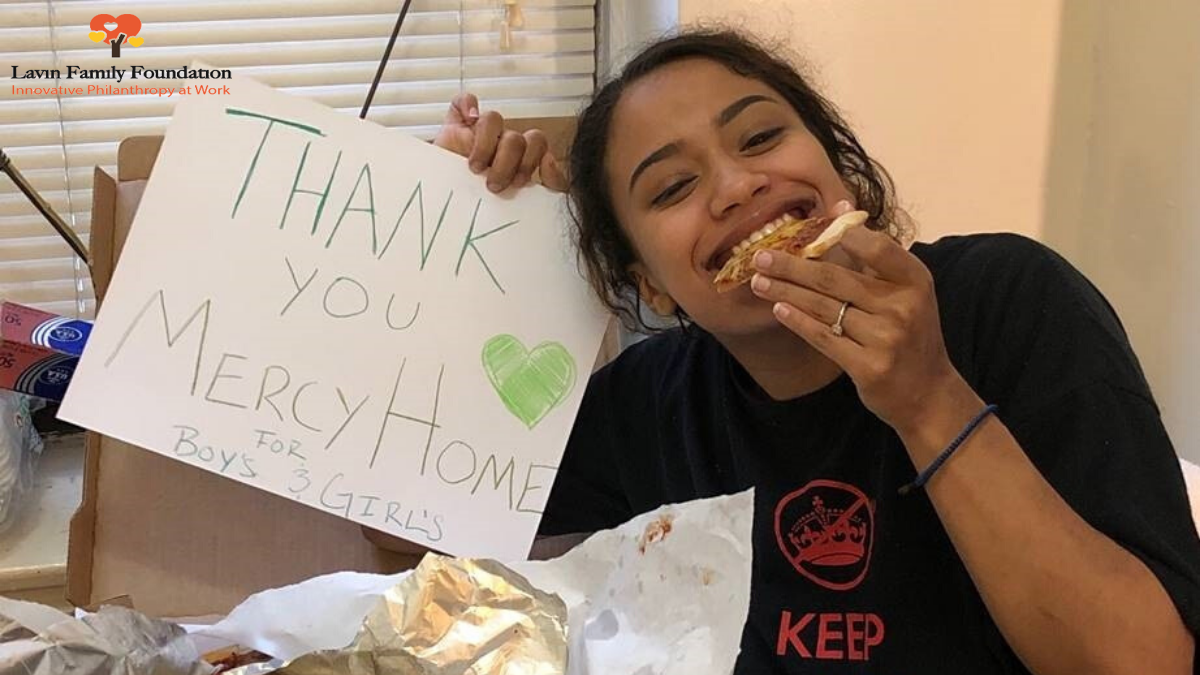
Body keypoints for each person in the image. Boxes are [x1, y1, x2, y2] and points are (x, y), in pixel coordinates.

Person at [427, 28, 1200, 674]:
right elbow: (412, 516)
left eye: (761, 136)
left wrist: (928, 398)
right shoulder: (655, 402)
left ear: (837, 170)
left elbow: (1148, 661)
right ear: (650, 286)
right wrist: (470, 232)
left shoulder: (1009, 301)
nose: (735, 185)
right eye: (671, 188)